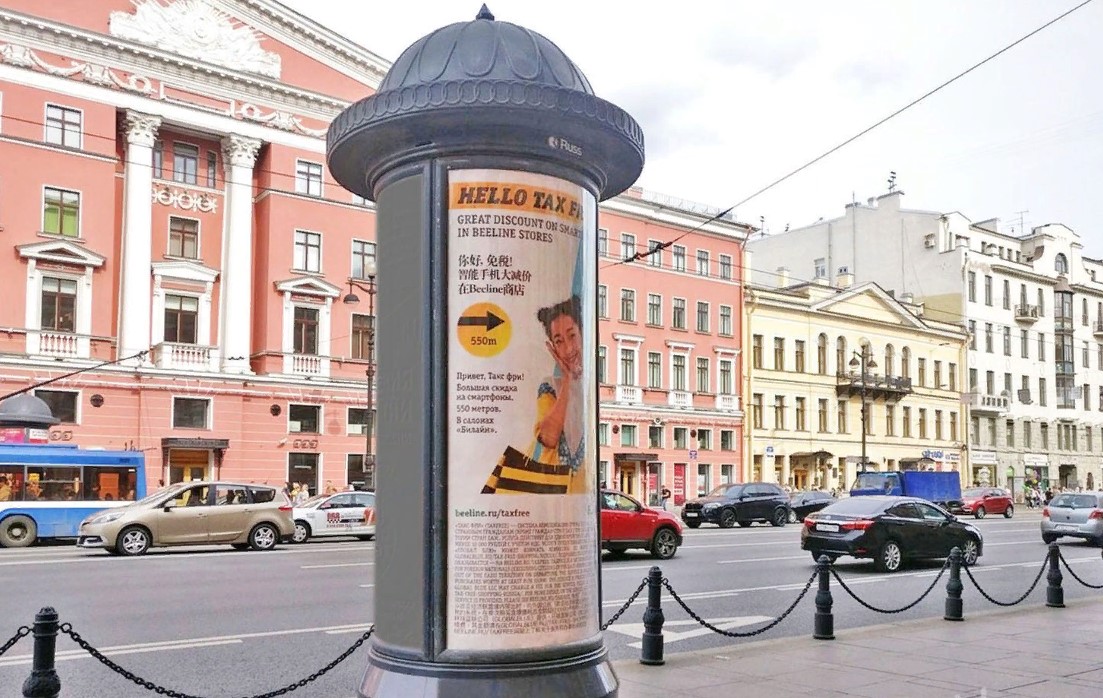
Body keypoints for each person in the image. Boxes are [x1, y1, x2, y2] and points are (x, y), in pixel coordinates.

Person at [532, 296, 586, 494]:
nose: (569, 348)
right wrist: (567, 380)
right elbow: (548, 438)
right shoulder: (550, 386)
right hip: (549, 492)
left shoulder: (591, 386)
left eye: (572, 336)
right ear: (553, 348)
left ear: (583, 334)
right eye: (559, 341)